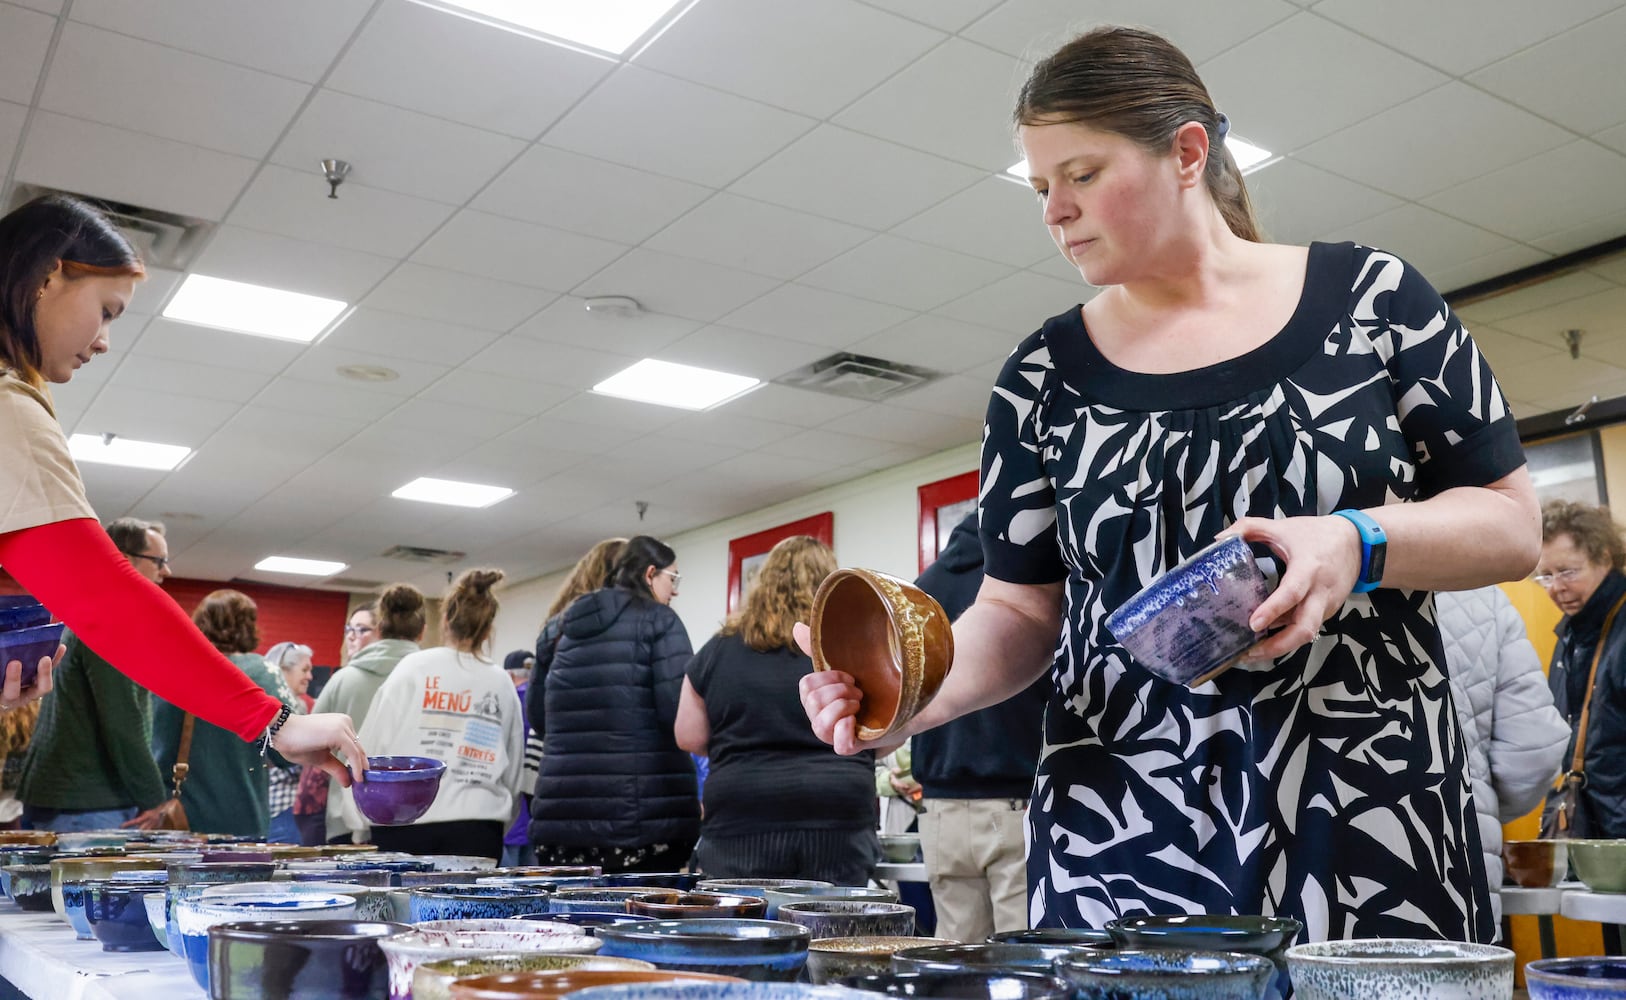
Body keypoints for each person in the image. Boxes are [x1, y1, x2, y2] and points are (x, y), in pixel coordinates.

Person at [799, 26, 1538, 942]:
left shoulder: (1376, 301)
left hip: (1361, 798)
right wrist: (912, 698)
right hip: (1122, 820)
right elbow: (1021, 612)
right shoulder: (1040, 379)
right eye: (1038, 188)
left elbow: (1511, 523)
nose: (1053, 212)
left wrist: (1353, 540)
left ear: (1187, 152)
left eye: (1081, 174)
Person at [0, 194, 366, 782]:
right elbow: (104, 600)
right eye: (107, 310)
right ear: (49, 275)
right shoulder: (7, 407)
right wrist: (273, 721)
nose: (103, 341)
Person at [676, 536, 877, 885]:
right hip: (835, 811)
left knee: (742, 930)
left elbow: (687, 735)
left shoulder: (717, 651)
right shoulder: (851, 644)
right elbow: (882, 732)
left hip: (741, 813)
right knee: (838, 931)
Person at [912, 512, 1049, 941]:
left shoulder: (922, 589)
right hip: (1013, 803)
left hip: (940, 811)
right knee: (1023, 958)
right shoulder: (1030, 581)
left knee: (955, 955)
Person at [528, 535, 698, 872]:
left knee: (570, 921)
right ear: (650, 573)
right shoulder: (660, 621)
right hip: (641, 823)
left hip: (561, 823)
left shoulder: (557, 627)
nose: (675, 590)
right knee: (637, 921)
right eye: (672, 578)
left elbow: (538, 717)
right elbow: (675, 715)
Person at [353, 569, 524, 860]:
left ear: (445, 620)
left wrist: (358, 825)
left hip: (402, 819)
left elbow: (368, 747)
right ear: (488, 629)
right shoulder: (500, 681)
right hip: (478, 827)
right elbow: (514, 770)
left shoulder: (412, 667)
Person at [17, 518, 172, 832]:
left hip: (64, 798)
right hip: (89, 806)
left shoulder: (86, 613)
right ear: (124, 559)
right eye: (159, 561)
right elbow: (123, 722)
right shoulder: (114, 622)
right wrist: (156, 801)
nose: (165, 572)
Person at [1434, 586, 1567, 927]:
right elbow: (1536, 750)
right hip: (1458, 859)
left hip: (1303, 864)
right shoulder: (1480, 594)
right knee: (1455, 975)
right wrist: (1479, 805)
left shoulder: (1287, 579)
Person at [153, 590, 288, 837]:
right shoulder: (262, 671)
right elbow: (285, 753)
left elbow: (153, 742)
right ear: (249, 626)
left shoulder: (172, 668)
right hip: (242, 816)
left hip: (177, 816)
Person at [1535, 500, 1626, 838]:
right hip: (1589, 833)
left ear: (1604, 557)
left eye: (1568, 571)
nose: (1556, 588)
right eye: (1546, 576)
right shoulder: (1570, 636)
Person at [313, 583, 426, 843]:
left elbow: (310, 746)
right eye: (349, 629)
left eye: (360, 629)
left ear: (380, 630)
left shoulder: (343, 679)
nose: (352, 636)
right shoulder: (434, 679)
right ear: (422, 631)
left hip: (347, 815)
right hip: (416, 814)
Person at [263, 641, 314, 844]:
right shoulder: (284, 711)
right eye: (305, 669)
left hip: (279, 808)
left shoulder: (297, 706)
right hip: (284, 809)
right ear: (283, 670)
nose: (310, 676)